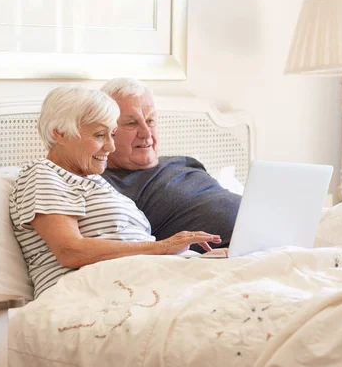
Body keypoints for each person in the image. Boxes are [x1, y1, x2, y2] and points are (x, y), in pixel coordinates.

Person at [9, 86, 222, 299]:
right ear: (60, 133)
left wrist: (209, 260)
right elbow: (71, 252)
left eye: (111, 134)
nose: (110, 147)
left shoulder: (97, 183)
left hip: (144, 279)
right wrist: (164, 247)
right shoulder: (44, 173)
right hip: (93, 291)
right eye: (100, 135)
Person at [100, 78, 242, 253]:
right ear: (106, 130)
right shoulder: (104, 186)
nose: (146, 133)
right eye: (131, 123)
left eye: (151, 121)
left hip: (270, 237)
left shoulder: (184, 162)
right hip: (225, 254)